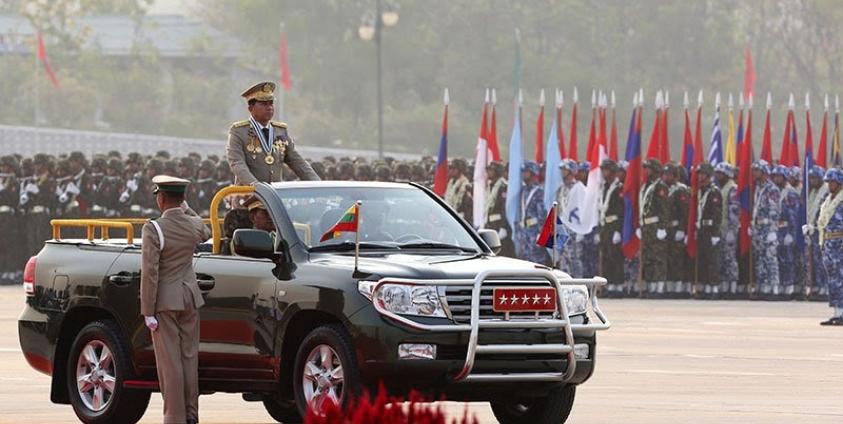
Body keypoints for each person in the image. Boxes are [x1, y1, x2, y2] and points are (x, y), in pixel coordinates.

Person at [140, 176, 212, 424]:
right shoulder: (193, 225)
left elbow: (150, 272)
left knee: (170, 364)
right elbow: (206, 229)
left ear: (160, 198)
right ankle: (191, 415)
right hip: (190, 297)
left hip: (165, 302)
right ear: (181, 198)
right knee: (189, 359)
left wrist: (147, 310)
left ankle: (174, 417)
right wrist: (187, 209)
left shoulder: (154, 228)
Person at [226, 81, 319, 185]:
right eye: (263, 104)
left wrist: (318, 184)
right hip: (248, 195)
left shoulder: (280, 131)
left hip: (273, 197)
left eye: (271, 103)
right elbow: (237, 163)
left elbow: (298, 162)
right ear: (251, 108)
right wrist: (255, 185)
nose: (269, 107)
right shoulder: (239, 131)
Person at [640, 158, 670, 297]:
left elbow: (664, 208)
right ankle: (650, 286)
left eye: (648, 168)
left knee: (658, 257)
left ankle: (658, 288)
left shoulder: (660, 186)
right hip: (647, 226)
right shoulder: (647, 185)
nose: (646, 171)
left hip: (656, 225)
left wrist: (662, 227)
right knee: (649, 257)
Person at [751, 160, 781, 298]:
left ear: (763, 172)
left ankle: (774, 287)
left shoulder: (772, 189)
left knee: (770, 259)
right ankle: (763, 287)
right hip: (758, 227)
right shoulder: (757, 187)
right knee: (760, 259)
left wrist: (773, 231)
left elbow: (774, 211)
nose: (753, 173)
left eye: (756, 170)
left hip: (768, 228)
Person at [818, 168, 843, 325]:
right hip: (828, 245)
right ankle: (837, 312)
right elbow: (824, 221)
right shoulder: (828, 200)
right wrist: (813, 229)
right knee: (833, 280)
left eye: (832, 182)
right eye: (828, 182)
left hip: (839, 245)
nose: (829, 185)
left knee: (841, 279)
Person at [771, 165, 800, 298]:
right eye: (775, 176)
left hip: (787, 230)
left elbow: (794, 215)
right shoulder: (775, 191)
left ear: (784, 177)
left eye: (779, 176)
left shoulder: (790, 192)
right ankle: (782, 285)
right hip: (778, 230)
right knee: (780, 259)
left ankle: (789, 287)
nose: (776, 179)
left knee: (788, 260)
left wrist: (791, 234)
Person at [695, 164, 723, 298]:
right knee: (703, 259)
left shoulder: (714, 191)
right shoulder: (702, 190)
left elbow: (717, 214)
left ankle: (715, 288)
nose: (700, 176)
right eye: (699, 174)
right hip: (702, 229)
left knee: (713, 260)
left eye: (703, 174)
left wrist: (716, 233)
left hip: (711, 230)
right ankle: (706, 287)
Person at [663, 162, 690, 297]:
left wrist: (681, 229)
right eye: (665, 174)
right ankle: (669, 287)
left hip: (676, 229)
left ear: (675, 176)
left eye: (668, 174)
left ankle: (678, 288)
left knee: (677, 259)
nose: (665, 177)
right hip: (667, 229)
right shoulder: (664, 189)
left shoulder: (681, 190)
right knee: (667, 258)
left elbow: (684, 212)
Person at [599, 159, 625, 296]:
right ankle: (609, 286)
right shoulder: (604, 187)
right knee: (607, 257)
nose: (603, 172)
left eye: (606, 169)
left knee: (616, 257)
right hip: (605, 226)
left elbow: (621, 211)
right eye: (602, 169)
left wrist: (618, 230)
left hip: (614, 226)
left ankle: (618, 286)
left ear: (613, 171)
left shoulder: (619, 187)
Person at [715, 162, 741, 297]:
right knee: (723, 258)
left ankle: (733, 287)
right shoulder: (721, 188)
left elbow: (734, 211)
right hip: (721, 228)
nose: (718, 176)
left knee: (730, 258)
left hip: (729, 229)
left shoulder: (732, 189)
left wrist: (732, 230)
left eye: (721, 174)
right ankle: (725, 286)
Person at [515, 161, 549, 265]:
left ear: (533, 173)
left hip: (534, 232)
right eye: (523, 172)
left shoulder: (539, 191)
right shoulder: (523, 190)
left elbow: (542, 215)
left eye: (526, 172)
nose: (524, 174)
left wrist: (540, 233)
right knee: (524, 261)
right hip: (524, 232)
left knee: (536, 262)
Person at [805, 165, 829, 298]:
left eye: (815, 178)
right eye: (811, 178)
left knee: (823, 261)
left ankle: (825, 287)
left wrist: (815, 226)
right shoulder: (812, 192)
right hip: (813, 232)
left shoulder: (826, 193)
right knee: (814, 260)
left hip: (823, 233)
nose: (812, 181)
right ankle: (817, 286)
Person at [484, 161, 515, 257]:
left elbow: (504, 208)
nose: (488, 172)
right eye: (488, 169)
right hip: (491, 225)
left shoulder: (503, 187)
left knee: (502, 253)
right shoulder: (490, 186)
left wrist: (503, 227)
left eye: (491, 170)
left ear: (497, 171)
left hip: (499, 226)